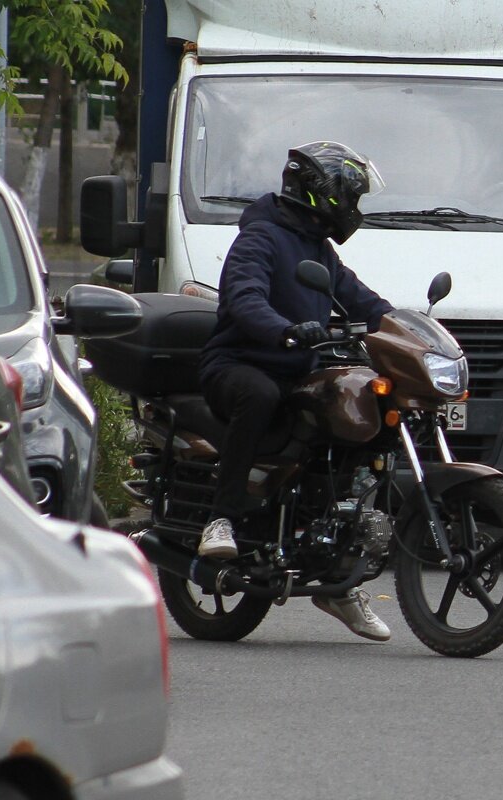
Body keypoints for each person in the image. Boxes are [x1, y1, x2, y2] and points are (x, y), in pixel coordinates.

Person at [195, 141, 395, 641]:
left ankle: (336, 572)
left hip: (294, 370)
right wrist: (285, 329)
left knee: (351, 409)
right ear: (321, 194)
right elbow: (244, 299)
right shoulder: (259, 238)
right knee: (260, 395)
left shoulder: (318, 250)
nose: (354, 209)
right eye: (351, 197)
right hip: (239, 365)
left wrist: (403, 330)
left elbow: (362, 300)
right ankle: (220, 520)